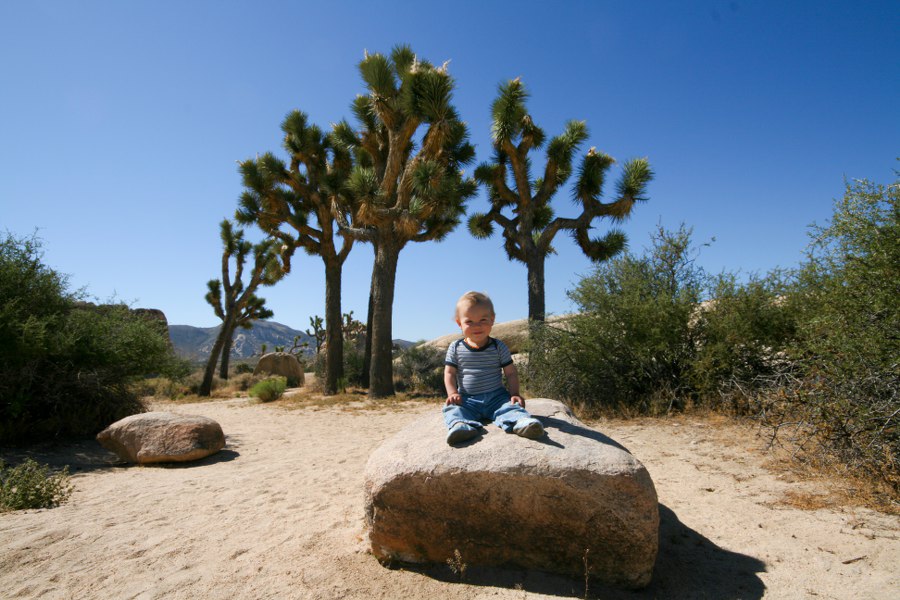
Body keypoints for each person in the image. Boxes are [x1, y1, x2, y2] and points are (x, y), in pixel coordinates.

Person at [442, 291, 545, 445]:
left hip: (496, 397)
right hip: (467, 399)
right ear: (459, 324)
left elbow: (510, 373)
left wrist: (515, 393)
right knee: (452, 408)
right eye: (469, 321)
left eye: (483, 320)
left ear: (492, 320)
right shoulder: (455, 347)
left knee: (510, 407)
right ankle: (460, 427)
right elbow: (449, 373)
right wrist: (453, 393)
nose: (477, 326)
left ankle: (522, 423)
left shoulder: (498, 346)